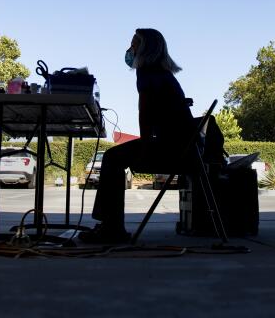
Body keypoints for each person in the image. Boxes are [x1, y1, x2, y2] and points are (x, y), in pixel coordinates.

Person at [80, 28, 195, 244]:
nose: (130, 49)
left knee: (112, 158)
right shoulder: (161, 73)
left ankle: (111, 229)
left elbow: (146, 114)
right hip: (181, 145)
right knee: (113, 157)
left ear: (145, 49)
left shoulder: (148, 73)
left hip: (173, 148)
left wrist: (144, 147)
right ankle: (110, 226)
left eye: (133, 45)